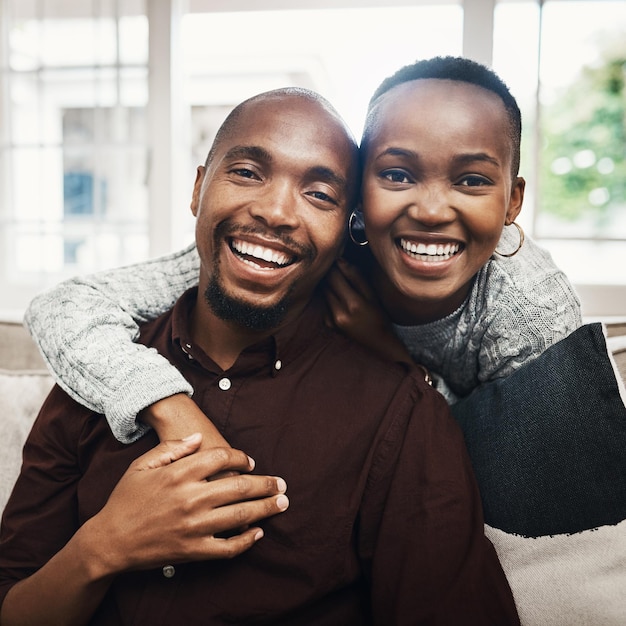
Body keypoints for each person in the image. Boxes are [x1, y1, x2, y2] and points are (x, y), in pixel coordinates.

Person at [0, 88, 520, 624]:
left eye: (319, 194)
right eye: (247, 172)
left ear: (349, 228)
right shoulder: (98, 370)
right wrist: (102, 548)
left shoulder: (401, 412)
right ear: (200, 187)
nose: (275, 212)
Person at [22, 57, 582, 452]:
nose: (432, 210)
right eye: (396, 174)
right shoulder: (318, 247)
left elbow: (522, 473)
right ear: (358, 196)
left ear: (513, 201)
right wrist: (171, 405)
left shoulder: (529, 307)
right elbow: (67, 307)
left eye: (472, 181)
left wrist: (389, 354)